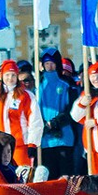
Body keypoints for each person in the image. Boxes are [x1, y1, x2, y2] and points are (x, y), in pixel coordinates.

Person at [0, 59, 43, 166]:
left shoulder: (26, 96)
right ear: (1, 76)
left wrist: (32, 143)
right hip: (0, 145)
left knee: (21, 173)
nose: (10, 78)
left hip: (20, 146)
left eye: (13, 75)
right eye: (7, 75)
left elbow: (35, 120)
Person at [37, 48, 77, 178]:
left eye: (52, 63)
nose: (50, 66)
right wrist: (43, 125)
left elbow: (70, 109)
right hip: (46, 139)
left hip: (63, 136)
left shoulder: (66, 85)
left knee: (65, 175)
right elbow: (34, 109)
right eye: (47, 63)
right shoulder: (38, 86)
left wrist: (55, 123)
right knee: (50, 175)